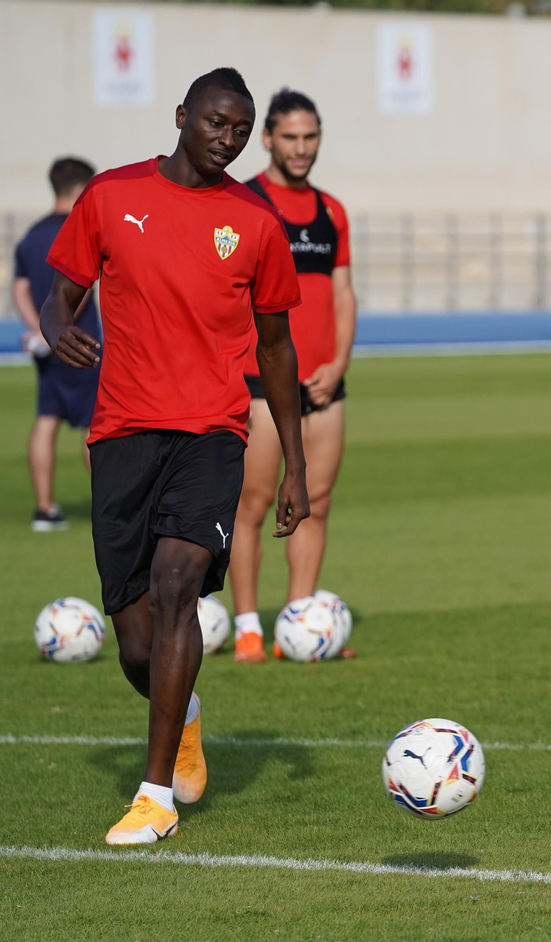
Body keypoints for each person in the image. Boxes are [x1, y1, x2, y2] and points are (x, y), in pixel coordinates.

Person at [39, 67, 308, 845]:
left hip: (213, 433)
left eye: (240, 130)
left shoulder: (254, 224)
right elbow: (64, 288)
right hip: (121, 432)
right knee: (135, 636)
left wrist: (291, 460)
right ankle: (183, 719)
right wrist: (60, 327)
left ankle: (154, 796)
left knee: (177, 586)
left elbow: (278, 348)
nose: (228, 140)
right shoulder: (112, 197)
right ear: (183, 115)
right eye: (216, 123)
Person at [229, 88, 358, 663]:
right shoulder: (246, 203)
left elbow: (345, 293)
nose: (302, 148)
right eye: (290, 137)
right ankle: (249, 629)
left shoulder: (332, 210)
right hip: (261, 383)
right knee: (251, 505)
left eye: (311, 137)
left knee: (316, 502)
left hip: (325, 384)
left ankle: (297, 627)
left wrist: (338, 363)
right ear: (268, 139)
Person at [14, 157, 100, 532]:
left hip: (45, 345)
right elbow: (81, 288)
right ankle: (110, 507)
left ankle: (45, 509)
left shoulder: (30, 235)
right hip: (81, 341)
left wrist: (38, 331)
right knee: (94, 425)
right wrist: (60, 328)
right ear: (83, 189)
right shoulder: (79, 228)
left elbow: (19, 289)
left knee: (46, 420)